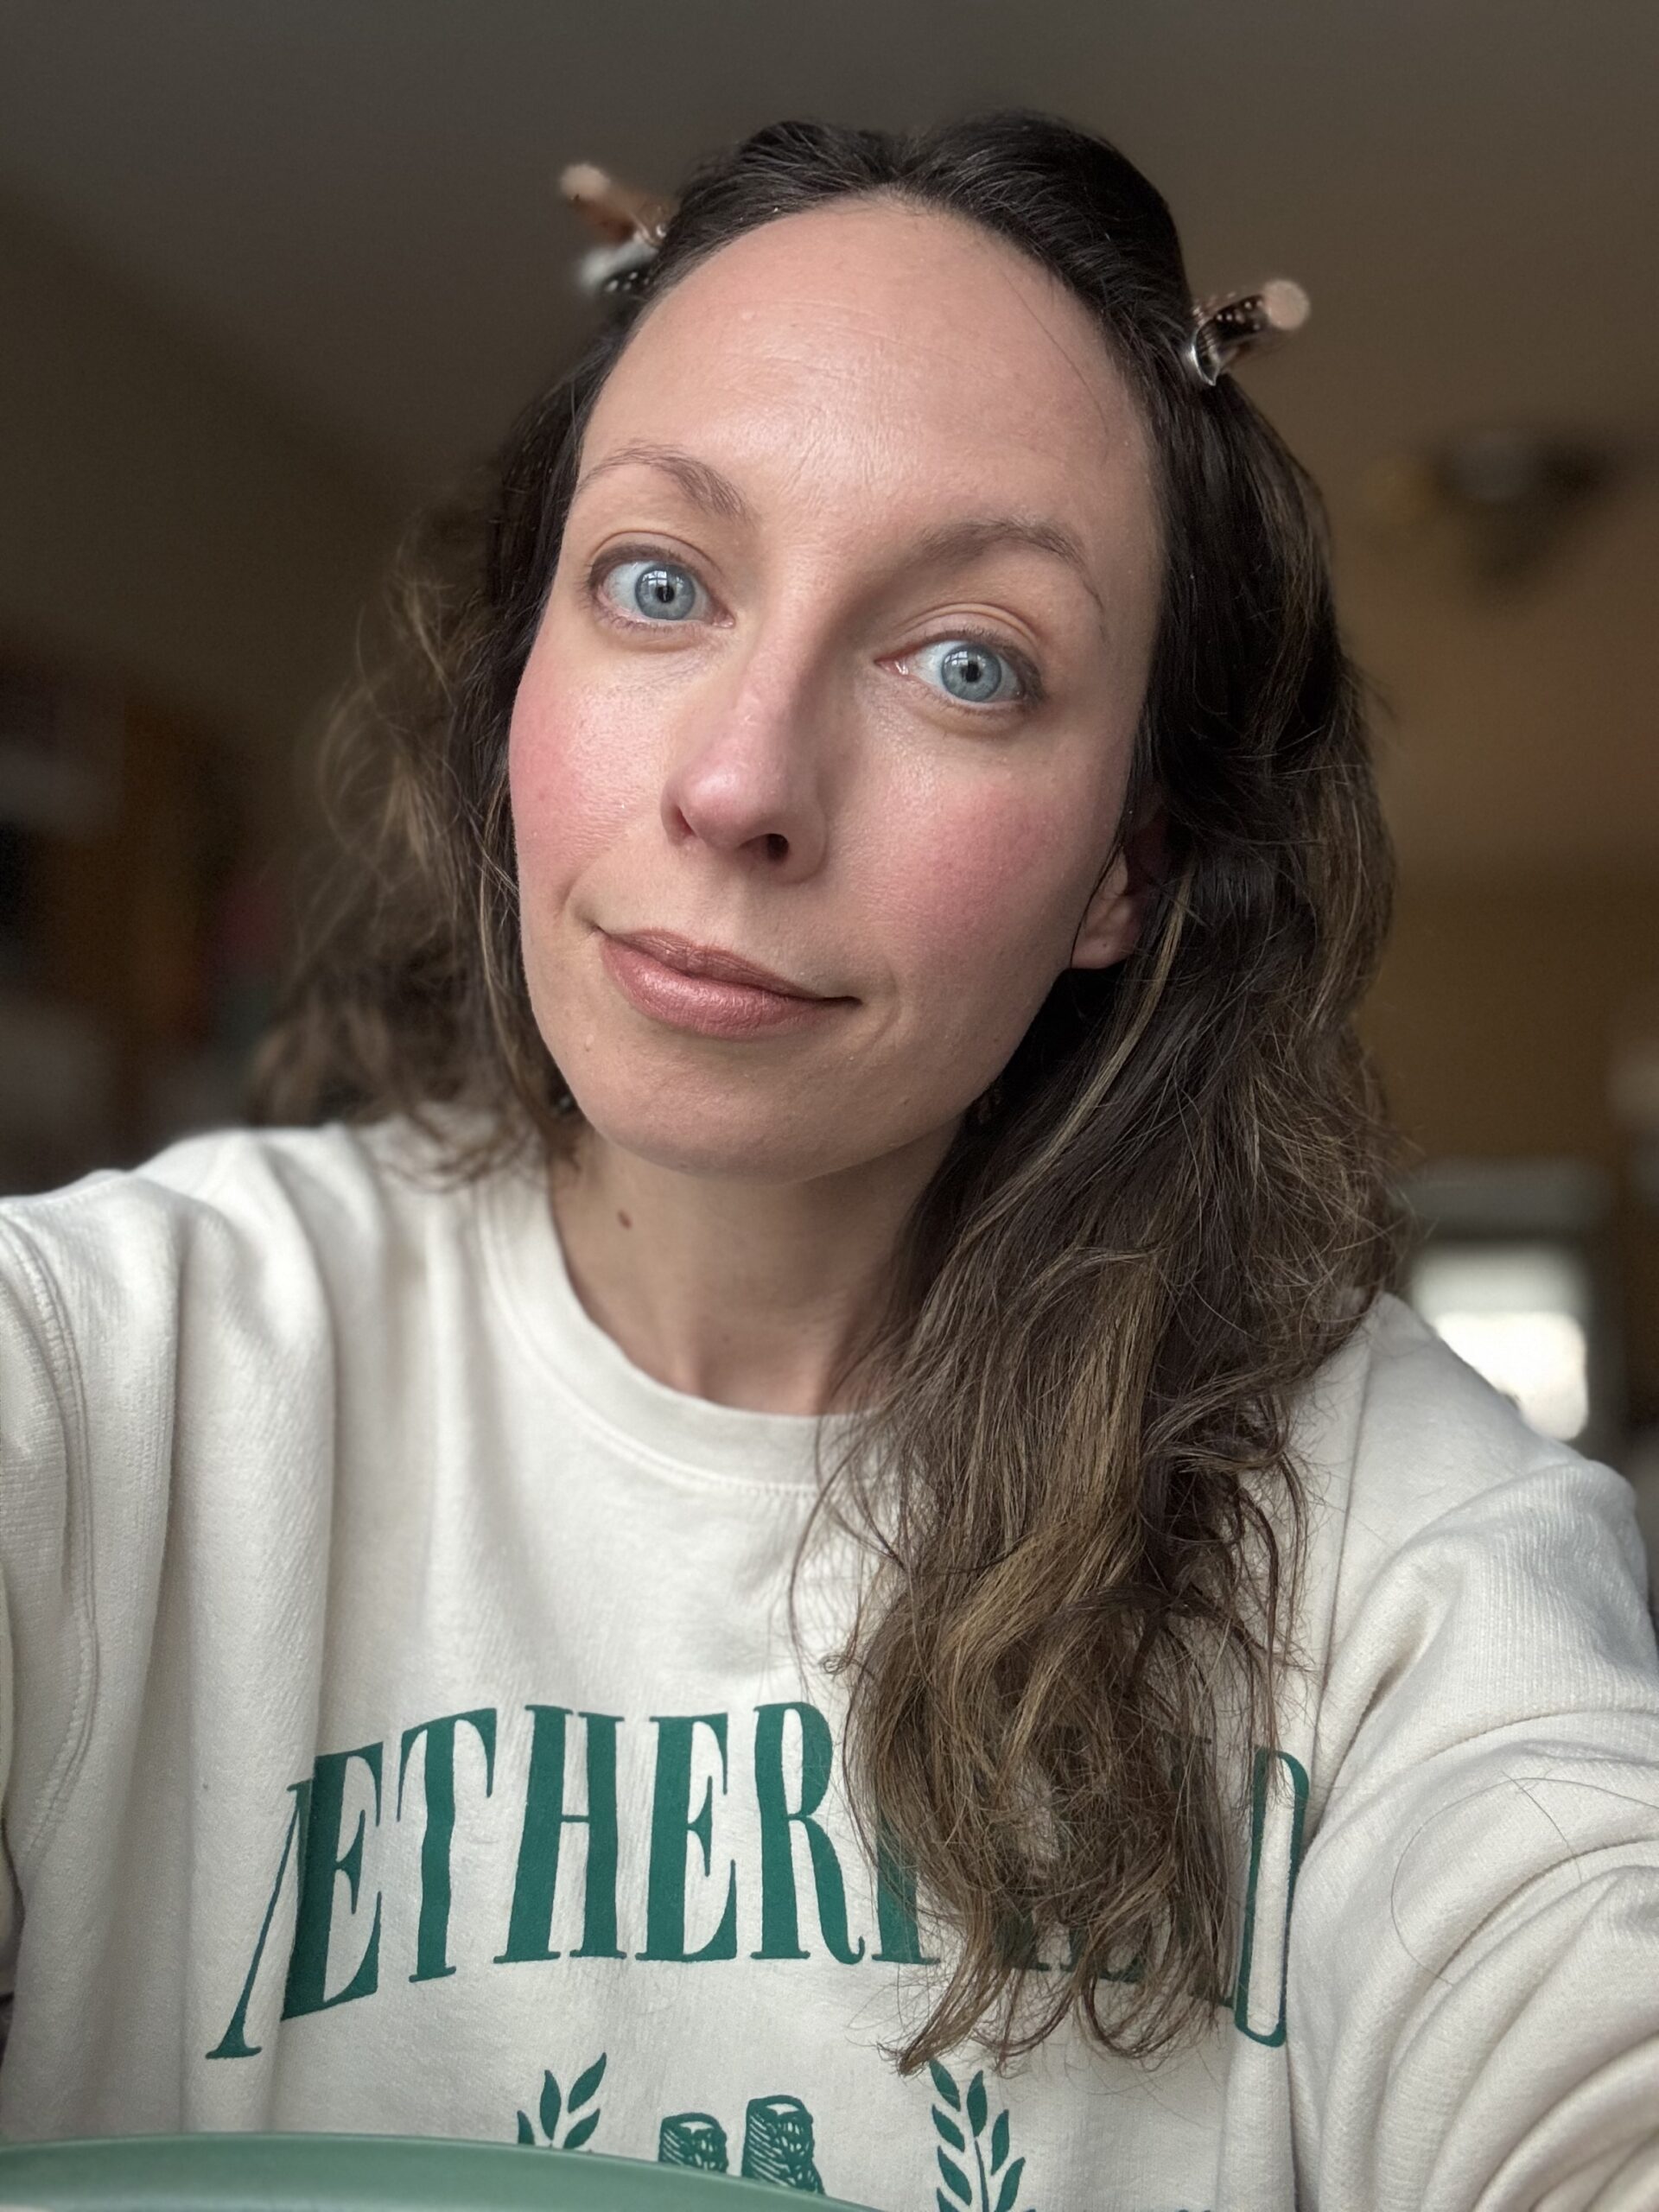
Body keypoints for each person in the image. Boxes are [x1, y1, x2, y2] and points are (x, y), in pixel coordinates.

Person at [0, 109, 1655, 2212]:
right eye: (660, 582)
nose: (743, 779)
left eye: (971, 663)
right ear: (521, 679)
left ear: (1123, 870)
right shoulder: (120, 1366)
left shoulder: (1388, 1535)